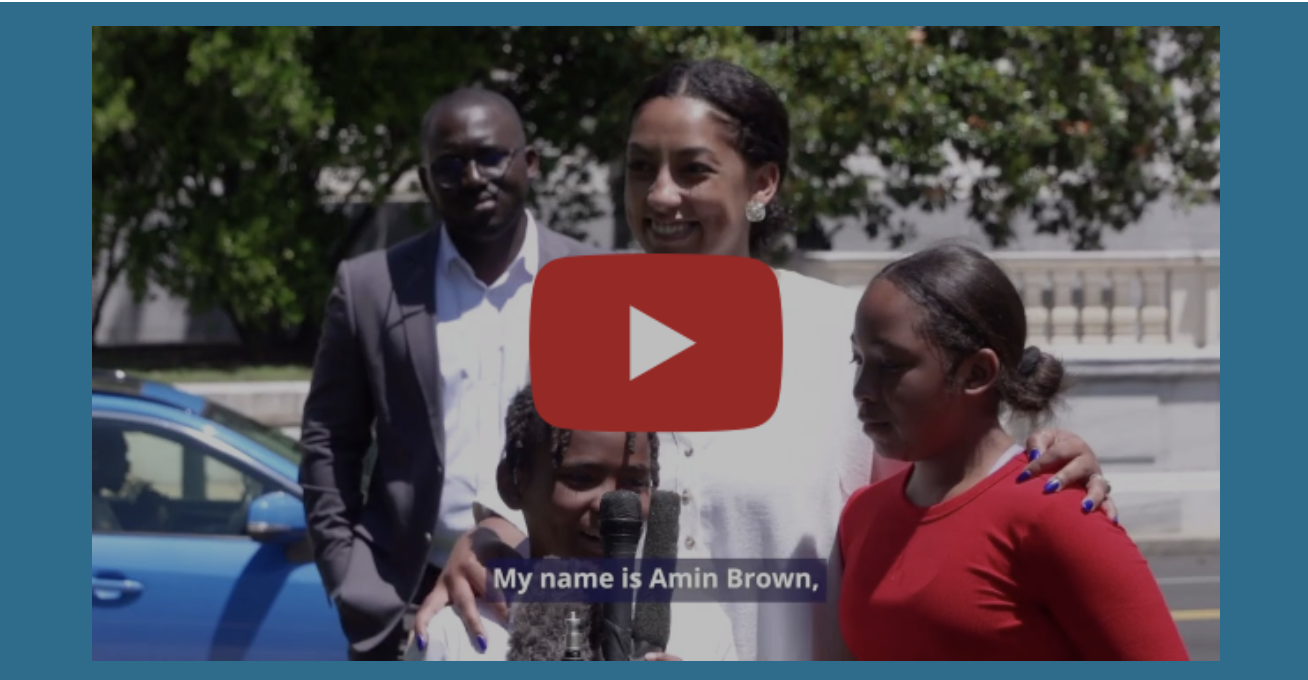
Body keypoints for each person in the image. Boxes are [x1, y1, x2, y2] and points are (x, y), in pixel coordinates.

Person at [420, 60, 1118, 661]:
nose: (661, 195)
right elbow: (520, 508)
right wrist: (482, 542)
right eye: (640, 169)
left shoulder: (849, 341)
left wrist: (1049, 465)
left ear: (762, 186)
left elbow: (954, 497)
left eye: (693, 169)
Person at [299, 87, 603, 661]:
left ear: (529, 163)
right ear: (425, 178)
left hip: (562, 593)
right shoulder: (371, 287)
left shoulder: (599, 281)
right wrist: (351, 578)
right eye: (449, 164)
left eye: (491, 157)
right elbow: (328, 442)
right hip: (408, 598)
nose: (472, 176)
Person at [839, 244, 1188, 660]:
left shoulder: (1058, 515)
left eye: (891, 365)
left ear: (976, 373)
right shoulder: (861, 515)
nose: (862, 389)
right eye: (858, 360)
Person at [407, 385, 738, 661]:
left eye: (636, 483)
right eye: (581, 478)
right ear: (512, 484)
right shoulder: (459, 633)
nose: (612, 505)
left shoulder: (702, 628)